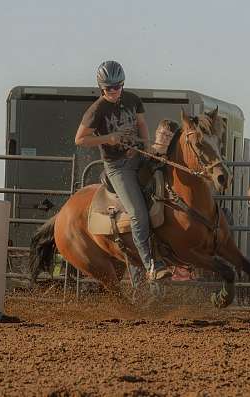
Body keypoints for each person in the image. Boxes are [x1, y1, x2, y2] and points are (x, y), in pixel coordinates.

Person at [74, 60, 172, 283]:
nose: (115, 91)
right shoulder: (96, 110)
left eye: (119, 86)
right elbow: (80, 139)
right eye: (110, 88)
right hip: (117, 167)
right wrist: (107, 138)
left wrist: (147, 147)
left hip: (138, 156)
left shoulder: (132, 99)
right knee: (138, 213)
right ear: (102, 87)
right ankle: (150, 265)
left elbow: (141, 124)